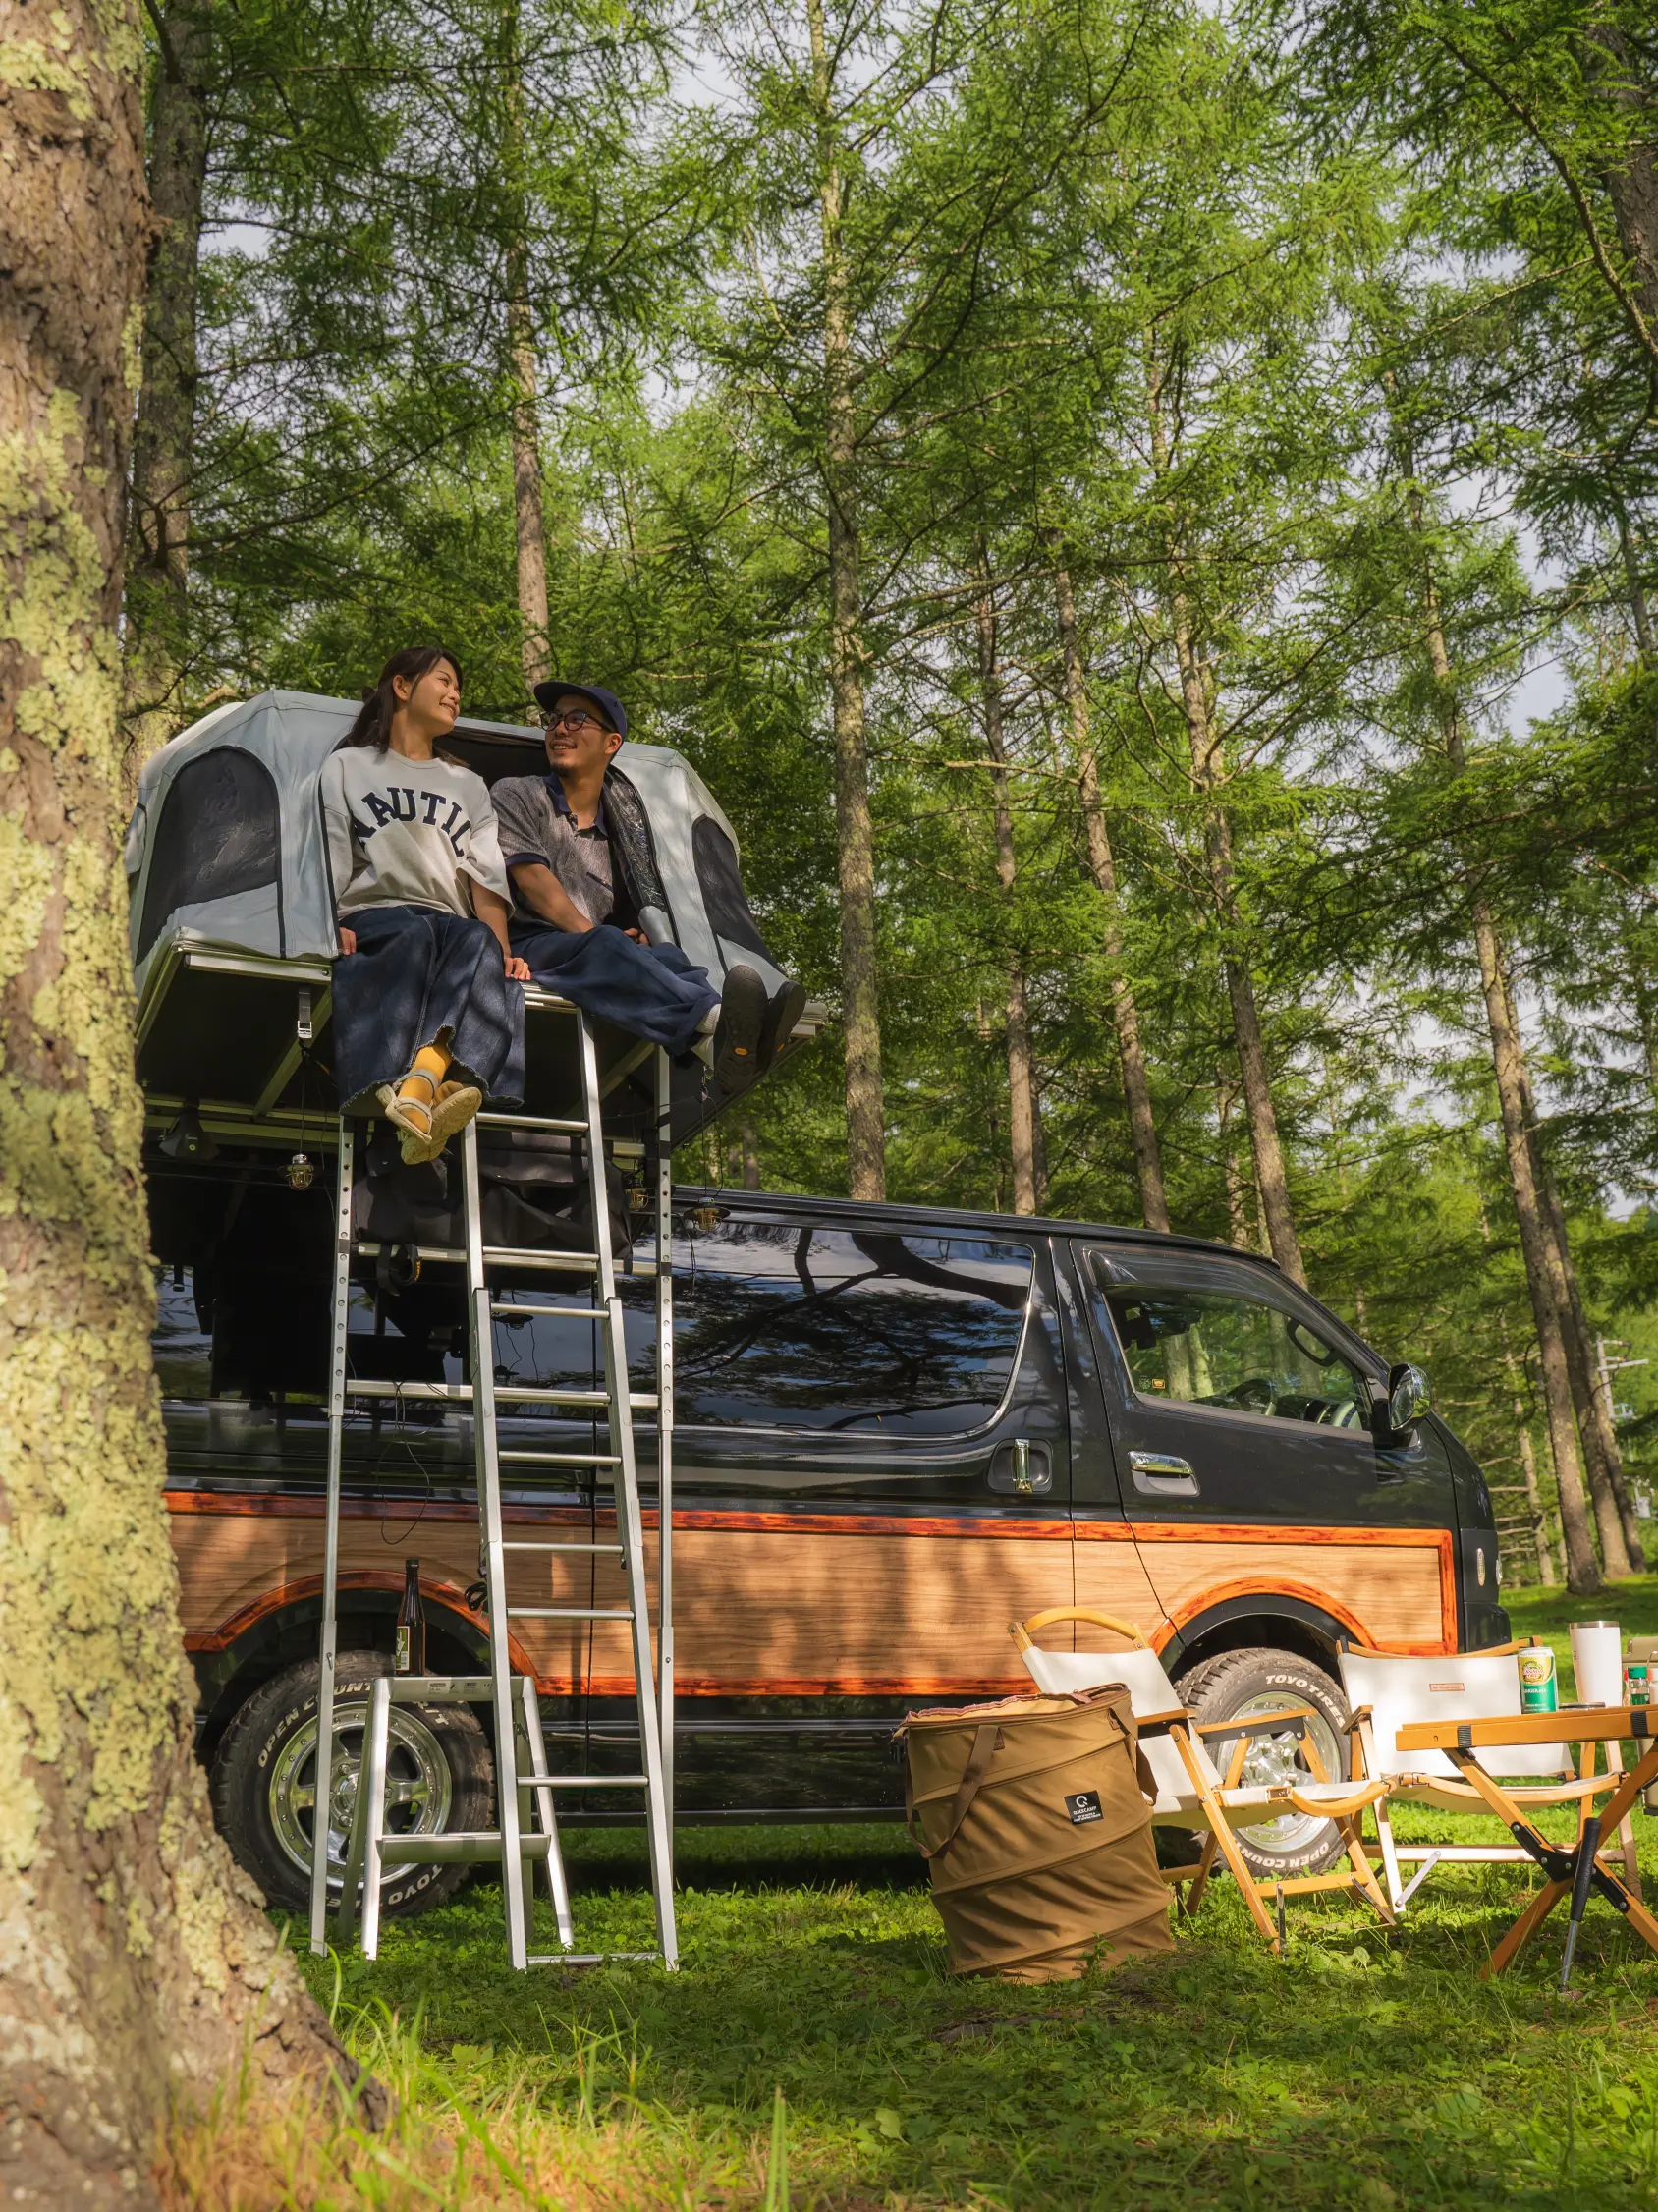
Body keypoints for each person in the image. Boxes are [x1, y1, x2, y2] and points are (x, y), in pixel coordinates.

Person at [492, 682, 803, 1089]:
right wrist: (601, 938)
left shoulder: (622, 831)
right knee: (606, 945)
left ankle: (724, 1052)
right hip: (529, 944)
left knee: (668, 955)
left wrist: (629, 941)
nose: (559, 729)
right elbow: (534, 883)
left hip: (584, 949)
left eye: (576, 719)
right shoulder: (517, 793)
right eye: (552, 720)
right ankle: (723, 1024)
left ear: (611, 742)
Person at [321, 645, 528, 1162]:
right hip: (375, 915)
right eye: (445, 680)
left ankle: (419, 1084)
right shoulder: (347, 767)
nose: (455, 694)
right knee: (411, 937)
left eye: (459, 686)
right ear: (402, 686)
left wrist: (500, 954)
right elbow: (326, 850)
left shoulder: (468, 785)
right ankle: (431, 1088)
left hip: (451, 924)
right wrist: (326, 922)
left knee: (479, 941)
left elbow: (486, 880)